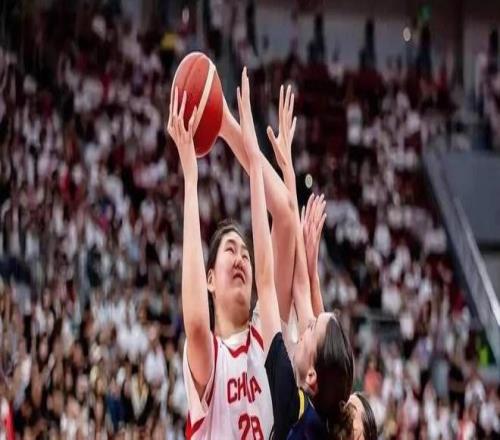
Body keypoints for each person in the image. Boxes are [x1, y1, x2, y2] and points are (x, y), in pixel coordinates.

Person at [236, 67, 355, 440]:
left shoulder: (291, 400)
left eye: (310, 329)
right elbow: (301, 287)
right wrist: (286, 167)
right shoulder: (312, 406)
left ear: (312, 376)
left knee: (285, 219)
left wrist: (255, 160)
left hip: (256, 405)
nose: (307, 324)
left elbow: (268, 280)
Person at [167, 87, 273, 439]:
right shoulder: (210, 356)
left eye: (245, 252)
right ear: (209, 279)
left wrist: (234, 132)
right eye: (230, 249)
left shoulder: (266, 334)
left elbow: (285, 216)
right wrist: (191, 180)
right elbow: (197, 323)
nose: (241, 256)